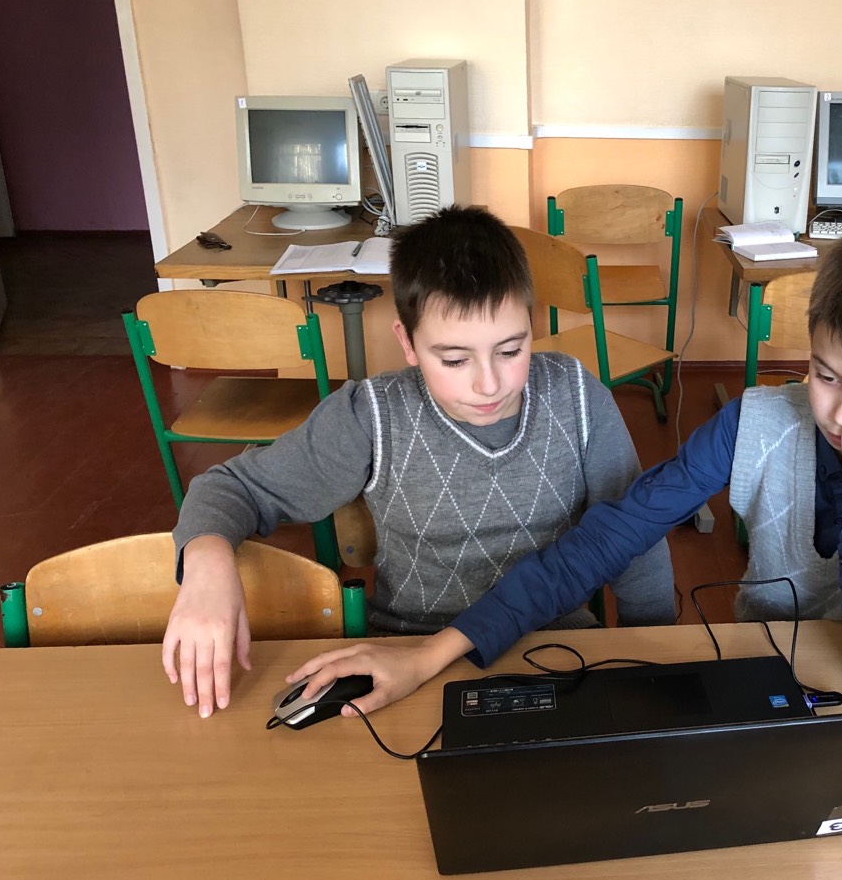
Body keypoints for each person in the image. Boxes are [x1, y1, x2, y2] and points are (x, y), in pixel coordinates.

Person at [287, 221, 842, 712]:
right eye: (825, 375)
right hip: (766, 671)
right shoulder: (757, 420)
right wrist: (433, 655)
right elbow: (609, 537)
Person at [162, 205, 674, 717]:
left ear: (530, 324)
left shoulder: (576, 395)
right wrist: (207, 566)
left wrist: (659, 656)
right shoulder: (372, 415)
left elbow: (635, 536)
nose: (488, 384)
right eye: (454, 359)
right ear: (407, 342)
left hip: (555, 650)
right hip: (406, 656)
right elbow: (234, 488)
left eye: (510, 350)